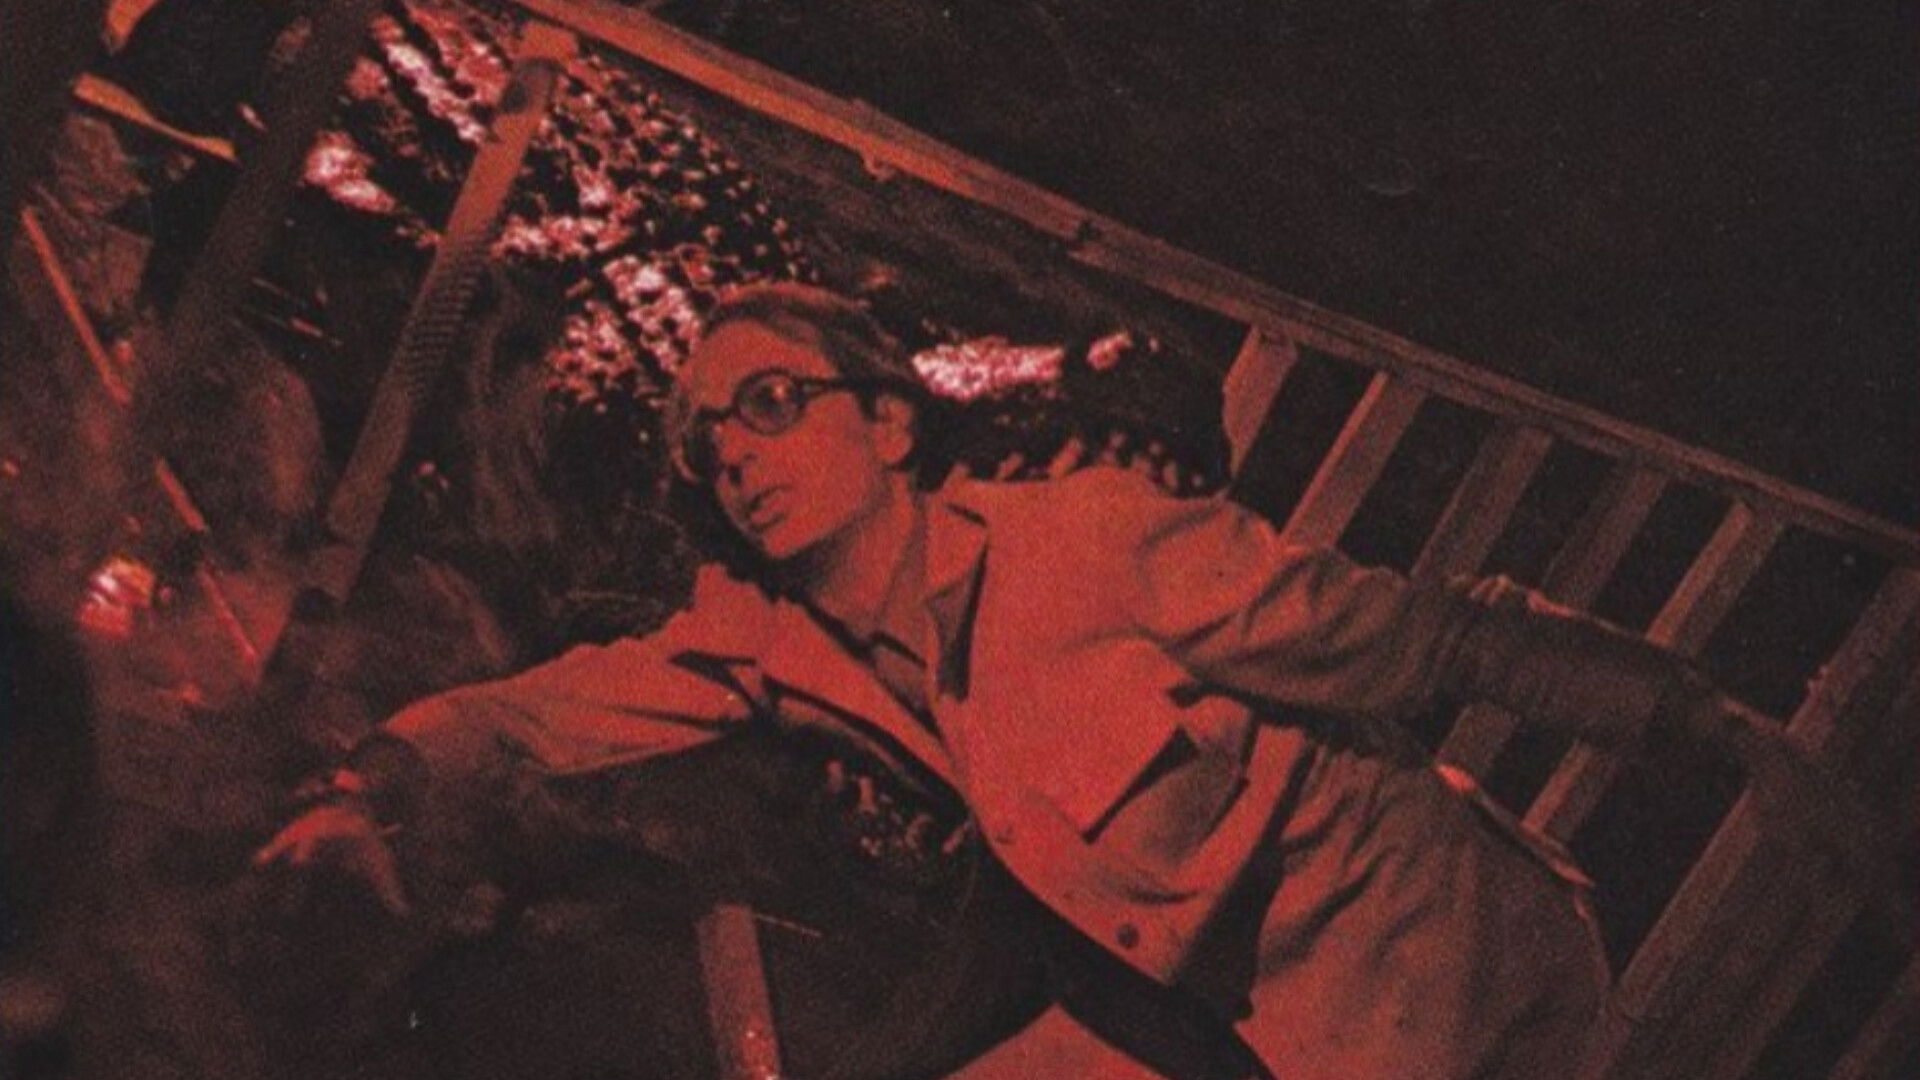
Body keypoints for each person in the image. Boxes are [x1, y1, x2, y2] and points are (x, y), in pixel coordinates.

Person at [256, 282, 1833, 1080]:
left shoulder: (1089, 545)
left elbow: (1427, 638)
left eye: (775, 401)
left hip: (1449, 978)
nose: (733, 451)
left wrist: (1713, 720)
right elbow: (547, 707)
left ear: (889, 423)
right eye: (707, 435)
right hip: (1189, 1009)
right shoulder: (771, 636)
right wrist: (368, 784)